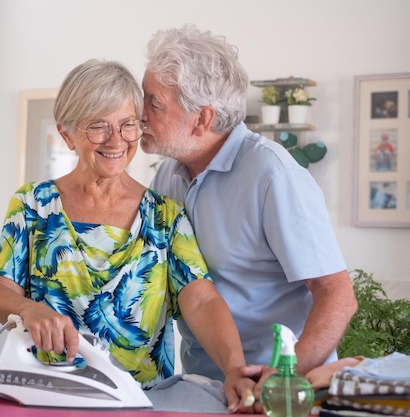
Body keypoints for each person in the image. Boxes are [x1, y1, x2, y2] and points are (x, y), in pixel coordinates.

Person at [0, 59, 256, 412]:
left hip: (143, 402)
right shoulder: (32, 204)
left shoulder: (164, 216)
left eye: (128, 125)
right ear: (67, 134)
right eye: (98, 126)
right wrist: (27, 309)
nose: (116, 140)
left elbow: (201, 300)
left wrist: (234, 368)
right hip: (45, 397)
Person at [140, 24, 358, 410]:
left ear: (201, 119)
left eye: (154, 103)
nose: (140, 115)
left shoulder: (274, 175)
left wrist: (283, 376)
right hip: (204, 386)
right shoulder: (166, 176)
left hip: (278, 391)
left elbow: (337, 295)